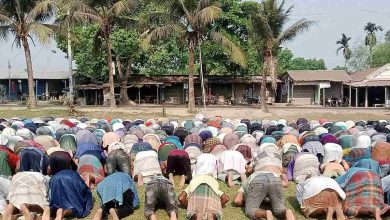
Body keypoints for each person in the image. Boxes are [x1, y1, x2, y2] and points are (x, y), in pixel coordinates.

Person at [233, 145, 294, 220]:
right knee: (279, 209)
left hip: (258, 181)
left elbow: (237, 201)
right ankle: (287, 211)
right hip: (275, 179)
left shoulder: (247, 180)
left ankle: (266, 213)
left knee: (250, 210)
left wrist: (246, 200)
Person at [179, 153, 230, 220]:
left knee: (198, 215)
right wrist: (215, 204)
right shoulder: (213, 182)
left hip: (196, 207)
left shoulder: (194, 181)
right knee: (211, 214)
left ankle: (199, 215)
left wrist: (189, 205)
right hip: (212, 208)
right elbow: (226, 198)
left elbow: (181, 198)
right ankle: (210, 215)